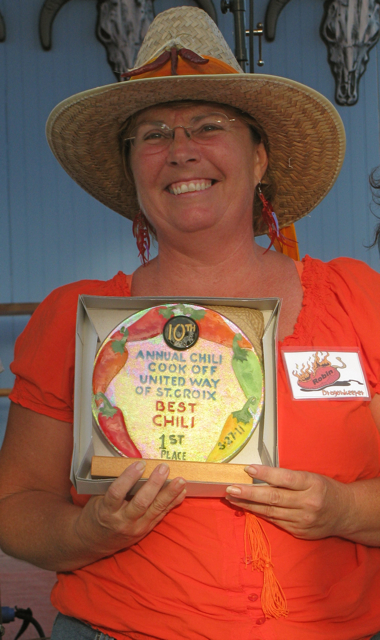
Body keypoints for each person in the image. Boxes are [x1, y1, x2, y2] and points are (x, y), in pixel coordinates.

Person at [1, 6, 380, 640]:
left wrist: (342, 509)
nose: (180, 151)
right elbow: (13, 510)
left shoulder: (354, 296)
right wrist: (86, 531)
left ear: (259, 158)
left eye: (209, 126)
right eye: (152, 135)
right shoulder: (73, 316)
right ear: (132, 169)